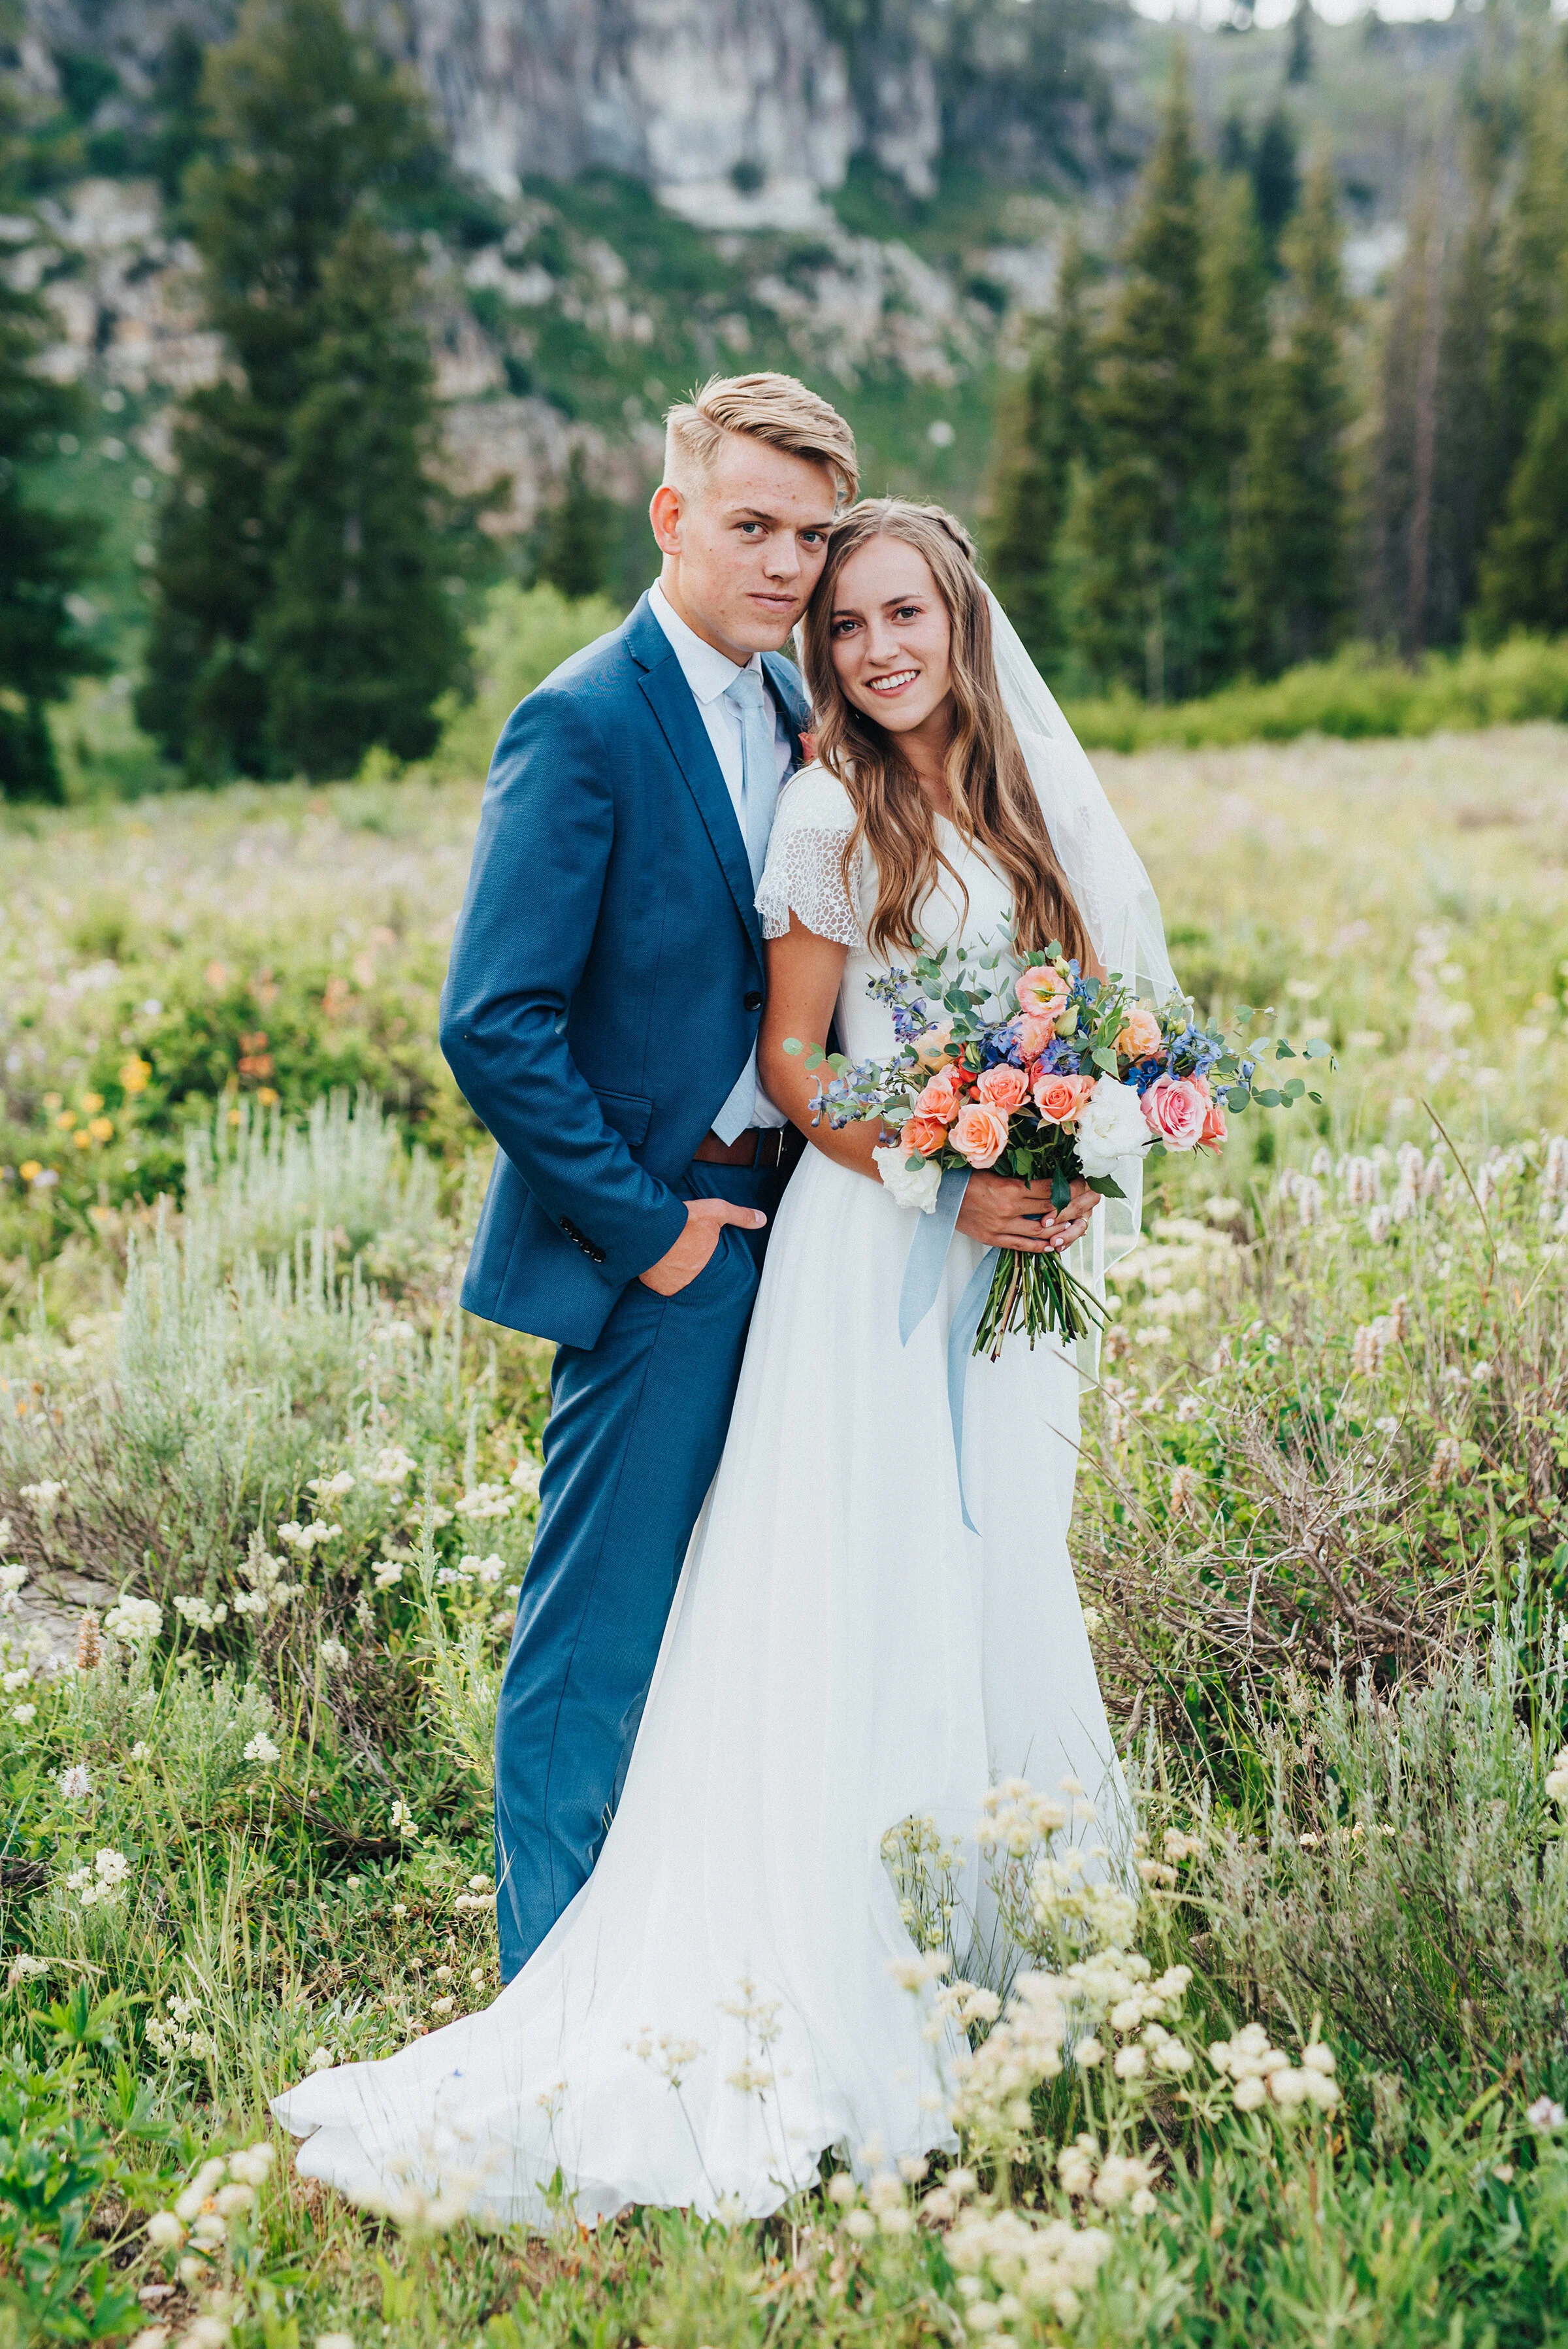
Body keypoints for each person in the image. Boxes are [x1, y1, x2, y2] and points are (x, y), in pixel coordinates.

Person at [273, 499, 1176, 2226]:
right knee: (867, 1580)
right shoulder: (834, 808)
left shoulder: (1031, 802)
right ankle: (830, 1979)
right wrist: (950, 1167)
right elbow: (794, 1057)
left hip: (1005, 1257)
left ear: (960, 617)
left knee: (993, 1571)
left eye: (902, 614)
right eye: (844, 629)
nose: (876, 650)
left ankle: (996, 1963)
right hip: (878, 1255)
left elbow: (1105, 1016)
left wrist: (1070, 1149)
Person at [434, 373, 858, 1982]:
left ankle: (708, 1958)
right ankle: (548, 1996)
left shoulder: (788, 711)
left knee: (752, 1612)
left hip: (801, 1223)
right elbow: (496, 1021)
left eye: (811, 538)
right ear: (671, 516)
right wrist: (648, 1233)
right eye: (753, 526)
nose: (786, 566)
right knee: (594, 1641)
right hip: (668, 1239)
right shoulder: (587, 715)